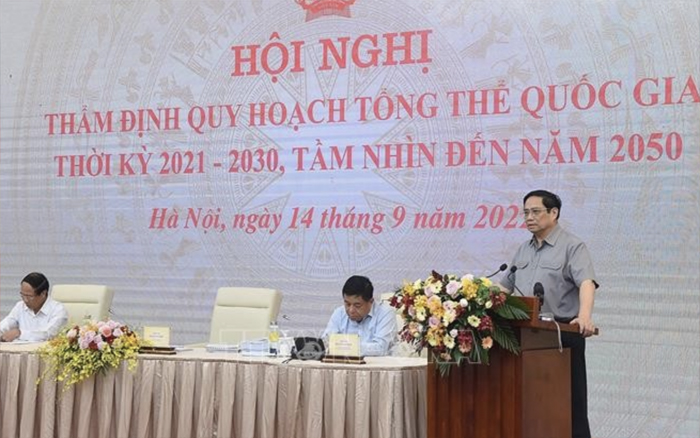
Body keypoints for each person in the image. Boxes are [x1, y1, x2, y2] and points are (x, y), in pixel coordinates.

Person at [499, 190, 598, 438]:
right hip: (525, 336)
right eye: (525, 213)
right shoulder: (523, 250)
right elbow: (504, 288)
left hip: (561, 335)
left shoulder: (572, 246)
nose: (529, 217)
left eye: (535, 212)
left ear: (554, 213)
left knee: (570, 406)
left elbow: (586, 282)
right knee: (531, 406)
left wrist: (585, 316)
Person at [323, 275, 397, 356]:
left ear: (371, 301)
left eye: (357, 305)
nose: (351, 310)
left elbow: (380, 348)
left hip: (376, 363)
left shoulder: (385, 313)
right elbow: (326, 342)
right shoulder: (339, 313)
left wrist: (344, 347)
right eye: (347, 304)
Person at [0, 272, 68, 342]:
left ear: (43, 293)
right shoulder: (20, 306)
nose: (25, 300)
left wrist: (20, 334)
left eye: (29, 296)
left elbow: (48, 334)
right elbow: (5, 325)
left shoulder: (58, 310)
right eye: (23, 295)